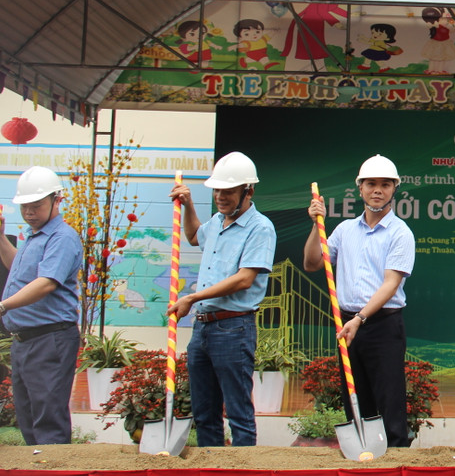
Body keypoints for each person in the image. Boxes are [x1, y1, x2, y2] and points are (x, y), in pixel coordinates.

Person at [303, 155, 416, 448]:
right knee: (355, 398)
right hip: (347, 324)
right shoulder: (343, 230)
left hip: (382, 326)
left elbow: (391, 283)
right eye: (371, 184)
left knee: (389, 400)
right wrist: (318, 225)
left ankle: (395, 460)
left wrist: (360, 319)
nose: (377, 190)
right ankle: (363, 456)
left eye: (384, 185)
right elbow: (312, 262)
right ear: (360, 188)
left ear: (394, 189)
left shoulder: (400, 232)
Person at [169, 151, 276, 447]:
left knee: (238, 414)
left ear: (248, 191)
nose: (220, 196)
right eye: (217, 190)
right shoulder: (216, 222)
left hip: (234, 328)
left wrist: (193, 297)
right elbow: (193, 236)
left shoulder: (260, 228)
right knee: (204, 412)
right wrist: (189, 203)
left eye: (228, 191)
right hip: (202, 327)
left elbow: (244, 278)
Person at [0, 166, 82, 445]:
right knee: (27, 414)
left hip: (51, 337)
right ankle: (34, 475)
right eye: (25, 207)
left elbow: (46, 282)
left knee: (47, 415)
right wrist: (0, 238)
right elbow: (18, 269)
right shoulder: (33, 235)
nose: (29, 212)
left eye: (36, 206)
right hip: (25, 340)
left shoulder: (62, 237)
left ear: (56, 200)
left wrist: (1, 307)